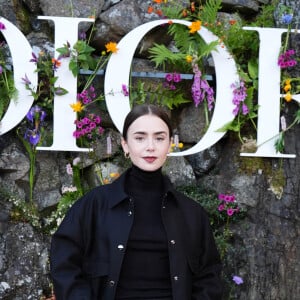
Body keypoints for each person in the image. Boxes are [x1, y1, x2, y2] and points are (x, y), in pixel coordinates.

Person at [50, 104, 223, 300]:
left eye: (159, 138)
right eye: (140, 138)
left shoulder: (192, 213)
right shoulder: (94, 205)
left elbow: (210, 276)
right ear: (125, 144)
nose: (150, 146)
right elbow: (64, 263)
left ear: (169, 144)